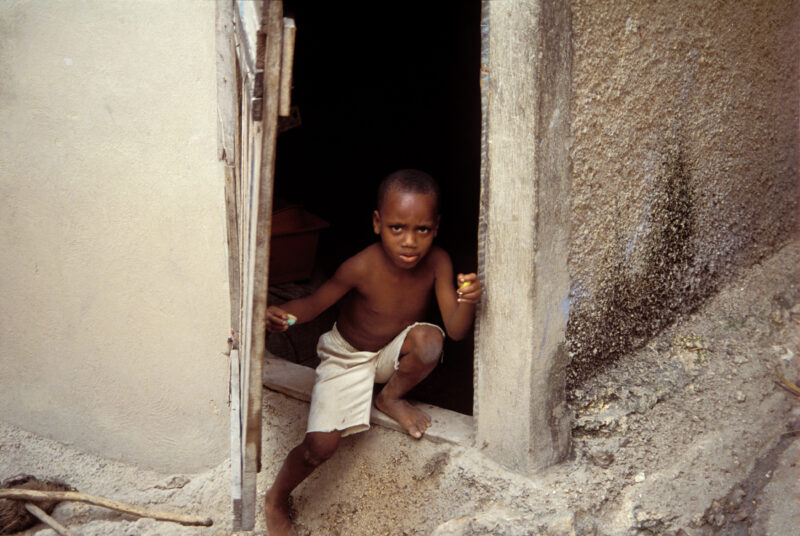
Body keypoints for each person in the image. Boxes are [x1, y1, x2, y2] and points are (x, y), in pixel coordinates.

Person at [263, 169, 482, 535]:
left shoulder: (438, 263)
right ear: (378, 223)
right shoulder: (361, 266)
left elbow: (456, 331)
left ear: (436, 227)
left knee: (430, 340)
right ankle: (274, 499)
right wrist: (286, 316)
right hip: (347, 357)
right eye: (398, 228)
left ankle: (390, 398)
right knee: (319, 447)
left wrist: (468, 300)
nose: (410, 242)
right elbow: (316, 303)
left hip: (390, 355)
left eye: (422, 230)